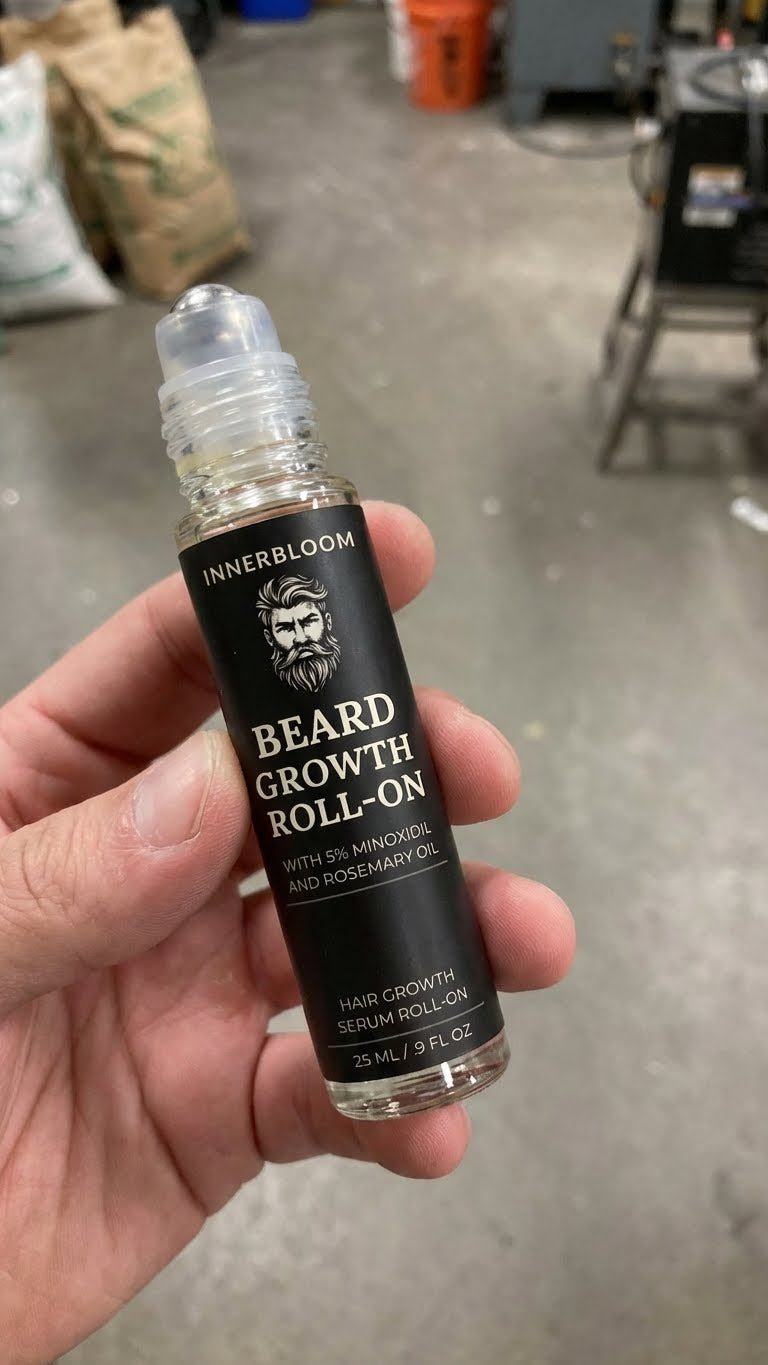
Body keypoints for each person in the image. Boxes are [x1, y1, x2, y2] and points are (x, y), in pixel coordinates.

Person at [0, 503, 574, 1362]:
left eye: (311, 620)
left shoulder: (324, 518)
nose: (302, 634)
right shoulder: (227, 549)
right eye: (289, 624)